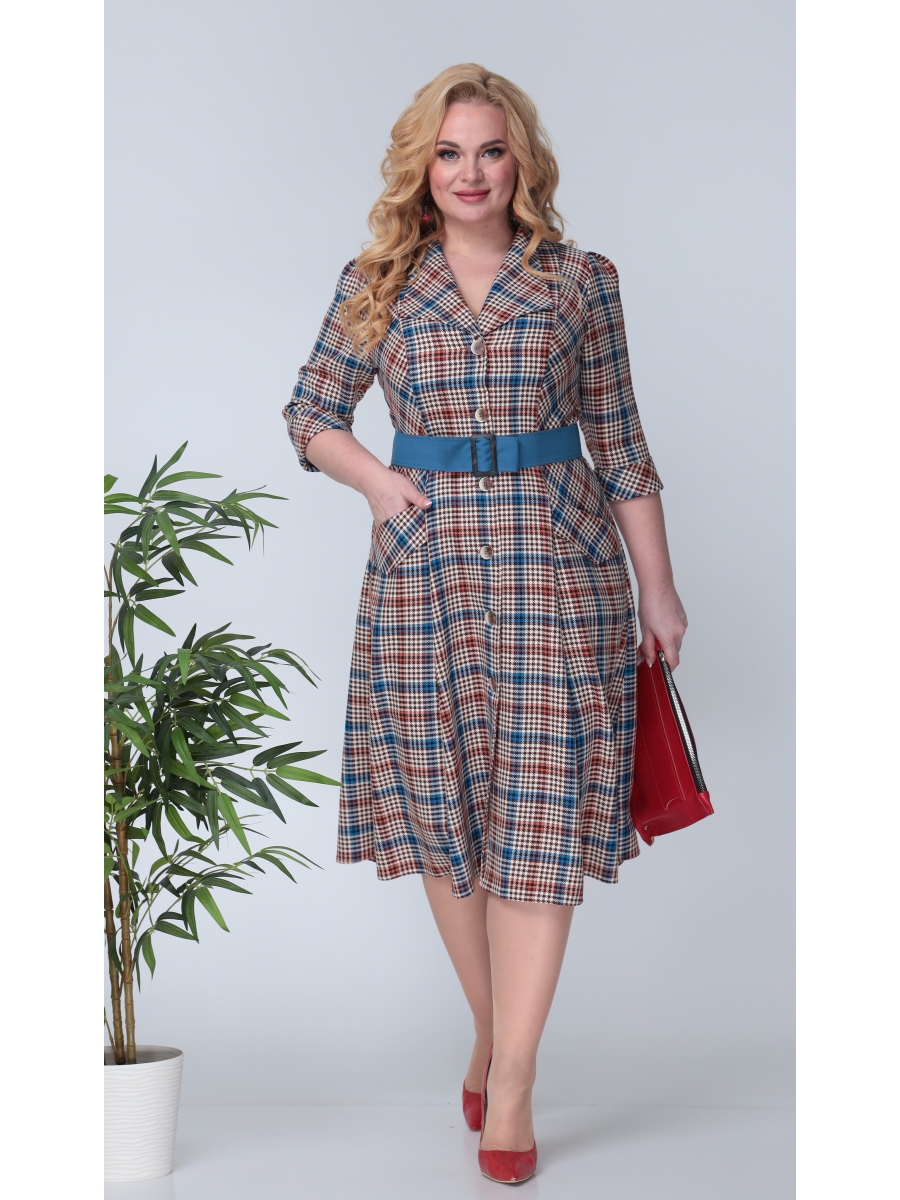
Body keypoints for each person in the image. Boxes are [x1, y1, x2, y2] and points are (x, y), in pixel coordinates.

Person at [283, 63, 687, 1185]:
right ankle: (492, 1031)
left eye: (491, 151)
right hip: (426, 572)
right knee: (446, 812)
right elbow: (311, 412)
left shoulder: (580, 280)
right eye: (449, 152)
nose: (470, 173)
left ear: (523, 163)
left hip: (561, 565)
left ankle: (512, 1080)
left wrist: (659, 589)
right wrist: (380, 486)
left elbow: (622, 441)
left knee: (540, 819)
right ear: (422, 166)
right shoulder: (378, 280)